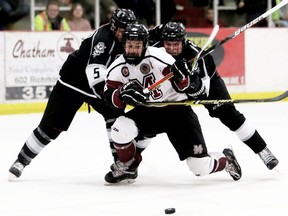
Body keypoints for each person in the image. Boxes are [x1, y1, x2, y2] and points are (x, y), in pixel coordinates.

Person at [8, 8, 139, 180]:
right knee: (50, 127)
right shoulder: (103, 40)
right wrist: (108, 94)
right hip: (73, 83)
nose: (126, 34)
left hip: (99, 86)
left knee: (116, 119)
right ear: (114, 27)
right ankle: (21, 161)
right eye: (123, 30)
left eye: (129, 30)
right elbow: (95, 71)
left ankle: (121, 164)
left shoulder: (130, 38)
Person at [103, 23, 242, 184]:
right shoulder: (116, 67)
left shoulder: (159, 57)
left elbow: (184, 87)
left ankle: (226, 159)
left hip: (178, 113)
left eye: (137, 45)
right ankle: (128, 166)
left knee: (200, 167)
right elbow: (108, 98)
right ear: (124, 45)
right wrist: (120, 95)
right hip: (150, 111)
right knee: (119, 128)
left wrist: (182, 77)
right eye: (129, 45)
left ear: (145, 44)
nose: (133, 49)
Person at [151, 22, 278, 170]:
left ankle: (262, 150)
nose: (172, 48)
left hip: (208, 83)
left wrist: (192, 85)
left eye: (176, 44)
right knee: (151, 116)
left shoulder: (196, 55)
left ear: (183, 40)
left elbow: (204, 91)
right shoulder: (155, 48)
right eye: (168, 44)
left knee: (229, 115)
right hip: (174, 87)